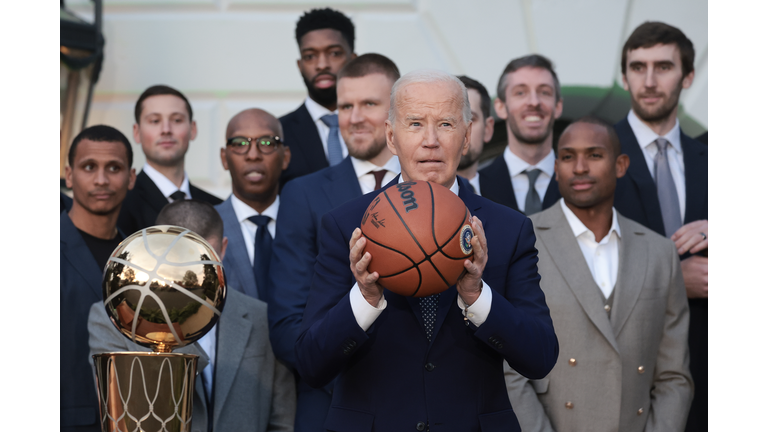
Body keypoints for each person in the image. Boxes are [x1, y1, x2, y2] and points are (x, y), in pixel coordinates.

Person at [295, 70, 558, 431]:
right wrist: (365, 298)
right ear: (391, 136)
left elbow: (540, 357)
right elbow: (311, 364)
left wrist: (478, 297)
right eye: (415, 124)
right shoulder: (347, 225)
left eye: (446, 124)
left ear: (466, 137)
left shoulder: (508, 229)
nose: (431, 141)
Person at [505, 117, 693, 432]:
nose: (579, 168)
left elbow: (674, 376)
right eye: (568, 157)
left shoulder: (660, 253)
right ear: (556, 168)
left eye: (594, 155)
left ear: (621, 165)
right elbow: (510, 369)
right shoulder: (521, 240)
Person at [267, 53, 400, 431]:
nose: (354, 118)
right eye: (345, 106)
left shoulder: (430, 192)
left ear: (397, 112)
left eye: (369, 104)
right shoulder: (302, 194)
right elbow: (288, 324)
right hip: (331, 404)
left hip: (421, 405)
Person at [88, 199, 296, 432]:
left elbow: (283, 420)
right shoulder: (113, 318)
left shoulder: (260, 316)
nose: (194, 272)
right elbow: (124, 414)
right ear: (157, 251)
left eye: (203, 259)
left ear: (223, 248)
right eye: (179, 257)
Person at [613, 22, 707, 432]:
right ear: (624, 77)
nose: (649, 81)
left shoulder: (715, 160)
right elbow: (565, 262)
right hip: (624, 374)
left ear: (688, 76)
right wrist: (671, 280)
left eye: (663, 67)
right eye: (638, 67)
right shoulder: (589, 157)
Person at [61, 125, 137, 432]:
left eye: (114, 168)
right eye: (89, 167)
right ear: (69, 175)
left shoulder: (141, 258)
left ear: (131, 177)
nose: (102, 180)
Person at [117, 85, 222, 236]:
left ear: (192, 129)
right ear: (137, 132)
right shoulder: (121, 205)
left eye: (177, 120)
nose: (166, 129)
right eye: (155, 121)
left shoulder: (217, 208)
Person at [215, 109, 291, 300]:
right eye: (240, 144)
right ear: (224, 158)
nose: (253, 155)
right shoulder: (206, 230)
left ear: (285, 157)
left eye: (267, 143)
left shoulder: (308, 225)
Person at [279, 8, 357, 187]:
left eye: (334, 53)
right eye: (310, 56)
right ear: (300, 65)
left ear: (353, 59)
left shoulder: (381, 126)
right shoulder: (280, 133)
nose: (322, 65)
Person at [479, 54, 563, 214]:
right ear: (501, 107)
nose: (534, 102)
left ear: (558, 106)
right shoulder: (475, 187)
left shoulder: (580, 182)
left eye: (544, 92)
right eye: (520, 93)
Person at [456, 75, 494, 194]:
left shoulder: (507, 197)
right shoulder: (413, 199)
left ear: (487, 129)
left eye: (470, 119)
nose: (461, 131)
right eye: (448, 121)